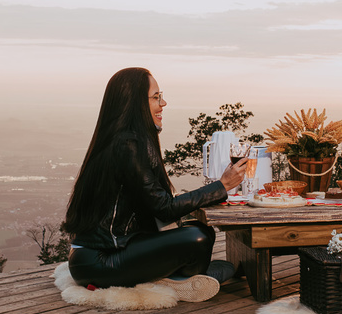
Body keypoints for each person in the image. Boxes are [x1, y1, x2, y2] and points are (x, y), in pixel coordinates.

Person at [64, 67, 249, 301]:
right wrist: (222, 186)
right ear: (134, 103)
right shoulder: (127, 144)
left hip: (110, 251)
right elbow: (164, 208)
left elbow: (156, 207)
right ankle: (179, 278)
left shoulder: (127, 139)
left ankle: (179, 275)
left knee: (199, 230)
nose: (163, 103)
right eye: (155, 97)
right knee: (198, 238)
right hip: (99, 261)